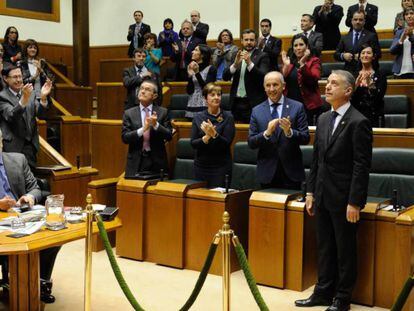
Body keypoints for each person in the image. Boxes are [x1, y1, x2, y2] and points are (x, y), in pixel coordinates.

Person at [295, 70, 372, 311]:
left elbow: (362, 166)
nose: (327, 86)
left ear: (348, 91)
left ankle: (342, 298)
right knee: (325, 246)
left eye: (334, 83)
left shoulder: (359, 122)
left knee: (344, 249)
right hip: (322, 194)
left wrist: (355, 202)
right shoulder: (323, 119)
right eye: (327, 82)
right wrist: (310, 193)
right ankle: (323, 291)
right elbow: (317, 160)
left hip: (345, 199)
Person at [0, 129, 60, 304]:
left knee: (53, 235)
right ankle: (16, 281)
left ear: (1, 142)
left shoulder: (17, 160)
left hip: (20, 215)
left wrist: (30, 197)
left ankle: (40, 282)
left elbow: (35, 187)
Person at [248, 71, 310, 189]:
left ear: (283, 86)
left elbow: (306, 138)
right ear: (264, 88)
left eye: (275, 85)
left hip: (292, 173)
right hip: (267, 173)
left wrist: (289, 132)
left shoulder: (297, 107)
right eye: (268, 85)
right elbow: (251, 142)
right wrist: (266, 133)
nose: (272, 89)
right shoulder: (257, 111)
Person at [0, 64, 52, 170]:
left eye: (20, 76)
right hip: (13, 148)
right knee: (17, 183)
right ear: (5, 78)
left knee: (31, 182)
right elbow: (11, 116)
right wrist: (23, 100)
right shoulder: (2, 97)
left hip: (30, 146)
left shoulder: (30, 93)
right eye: (15, 77)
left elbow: (39, 113)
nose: (19, 80)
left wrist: (43, 97)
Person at [122, 80, 172, 178]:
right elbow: (125, 137)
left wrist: (156, 125)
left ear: (154, 96)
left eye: (147, 89)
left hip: (157, 162)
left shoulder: (163, 112)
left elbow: (169, 136)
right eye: (141, 88)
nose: (143, 91)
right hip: (136, 162)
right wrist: (143, 129)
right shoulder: (129, 113)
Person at [190, 83, 235, 187]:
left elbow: (226, 143)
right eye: (212, 95)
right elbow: (193, 143)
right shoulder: (198, 117)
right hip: (201, 166)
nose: (216, 97)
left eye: (219, 95)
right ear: (205, 98)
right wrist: (206, 137)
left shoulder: (228, 117)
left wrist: (214, 134)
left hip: (221, 167)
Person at [223, 29, 270, 123]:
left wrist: (249, 63)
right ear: (241, 41)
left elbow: (263, 78)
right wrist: (235, 65)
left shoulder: (263, 56)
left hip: (253, 103)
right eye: (246, 40)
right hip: (235, 103)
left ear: (256, 41)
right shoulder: (236, 55)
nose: (249, 42)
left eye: (251, 40)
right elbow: (225, 77)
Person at [281, 34, 323, 125]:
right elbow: (282, 81)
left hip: (308, 105)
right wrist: (285, 66)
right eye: (295, 45)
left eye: (301, 44)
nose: (298, 48)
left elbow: (313, 79)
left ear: (307, 46)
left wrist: (303, 63)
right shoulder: (290, 62)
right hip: (290, 104)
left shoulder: (314, 61)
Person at [334, 10, 381, 77]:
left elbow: (378, 54)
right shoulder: (345, 37)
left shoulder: (371, 36)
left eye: (360, 20)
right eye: (355, 19)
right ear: (352, 21)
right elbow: (336, 54)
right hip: (349, 73)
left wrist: (363, 56)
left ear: (364, 22)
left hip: (366, 73)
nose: (358, 22)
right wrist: (343, 55)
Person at [352, 44, 387, 127]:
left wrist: (371, 87)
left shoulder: (380, 75)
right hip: (356, 116)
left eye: (368, 53)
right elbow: (348, 98)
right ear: (359, 57)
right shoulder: (353, 75)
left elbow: (379, 98)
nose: (365, 55)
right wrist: (355, 87)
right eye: (363, 53)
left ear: (374, 56)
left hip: (374, 116)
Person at [186, 44, 216, 119]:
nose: (192, 52)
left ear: (202, 55)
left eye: (196, 50)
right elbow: (189, 91)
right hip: (192, 103)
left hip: (205, 103)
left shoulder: (211, 68)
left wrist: (197, 73)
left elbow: (207, 89)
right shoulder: (191, 67)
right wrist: (190, 76)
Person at [390, 7, 414, 79]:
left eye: (411, 13)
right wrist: (401, 40)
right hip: (400, 70)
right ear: (404, 17)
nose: (409, 16)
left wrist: (411, 36)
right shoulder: (399, 32)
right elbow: (392, 51)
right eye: (406, 14)